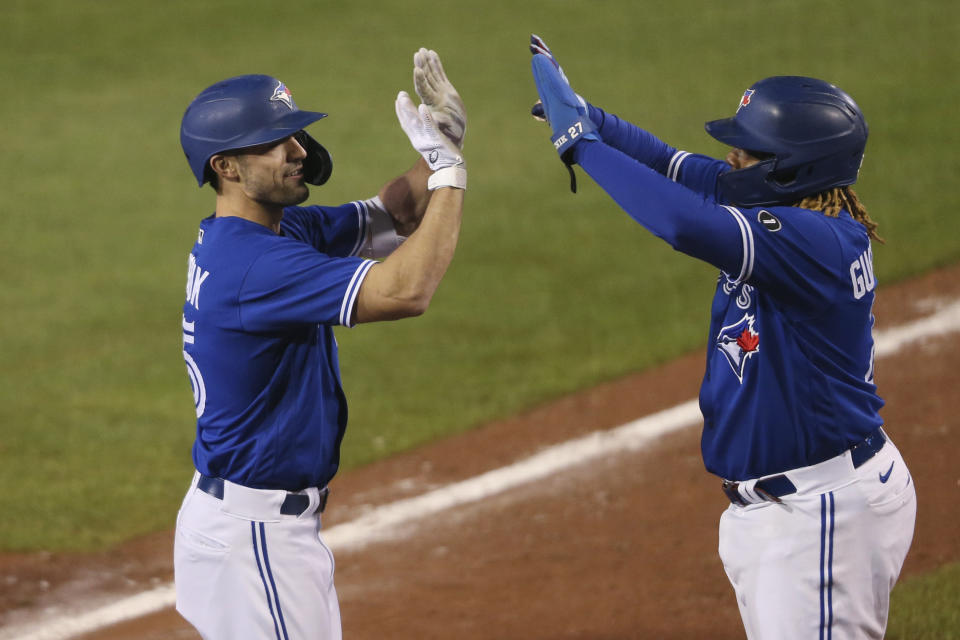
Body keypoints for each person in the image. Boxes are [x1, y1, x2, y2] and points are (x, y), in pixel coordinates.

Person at [528, 34, 916, 639]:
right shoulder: (791, 206)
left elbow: (683, 222)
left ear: (796, 169)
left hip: (820, 513)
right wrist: (592, 117)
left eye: (749, 151)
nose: (733, 159)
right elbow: (677, 169)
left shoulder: (814, 242)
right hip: (794, 507)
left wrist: (581, 146)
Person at [174, 48, 466, 640]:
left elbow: (393, 215)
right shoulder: (256, 265)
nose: (300, 151)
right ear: (227, 167)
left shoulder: (266, 231)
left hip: (245, 525)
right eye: (275, 143)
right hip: (254, 539)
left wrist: (443, 145)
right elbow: (407, 291)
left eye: (294, 135)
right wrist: (451, 173)